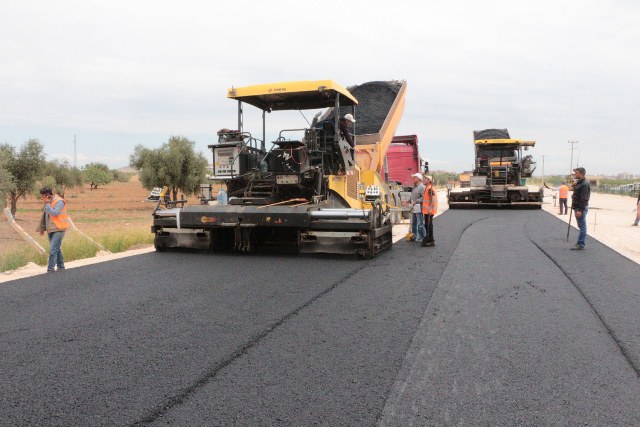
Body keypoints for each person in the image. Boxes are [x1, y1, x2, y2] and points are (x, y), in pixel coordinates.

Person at [36, 187, 70, 272]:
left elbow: (55, 213)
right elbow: (45, 215)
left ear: (48, 195)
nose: (42, 198)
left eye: (43, 196)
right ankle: (61, 267)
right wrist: (42, 228)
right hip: (50, 229)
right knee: (56, 249)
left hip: (59, 229)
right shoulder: (48, 202)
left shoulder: (59, 201)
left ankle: (50, 269)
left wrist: (47, 204)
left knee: (52, 250)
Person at [570, 167, 590, 250]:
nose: (575, 174)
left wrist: (580, 210)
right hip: (577, 206)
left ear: (581, 174)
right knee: (581, 225)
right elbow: (579, 194)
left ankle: (580, 244)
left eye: (576, 173)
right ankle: (581, 242)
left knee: (582, 226)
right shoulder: (579, 182)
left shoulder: (584, 184)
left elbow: (584, 198)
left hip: (580, 208)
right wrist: (574, 196)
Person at [421, 175, 438, 247]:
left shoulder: (430, 189)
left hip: (429, 211)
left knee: (429, 225)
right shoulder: (427, 188)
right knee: (427, 225)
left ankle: (431, 240)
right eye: (424, 178)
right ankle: (429, 239)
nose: (423, 179)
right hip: (427, 211)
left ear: (429, 181)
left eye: (425, 179)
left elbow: (433, 199)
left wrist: (430, 208)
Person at [409, 173, 426, 242]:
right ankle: (414, 236)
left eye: (414, 177)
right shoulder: (415, 187)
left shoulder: (422, 187)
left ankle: (423, 237)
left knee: (420, 223)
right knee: (414, 223)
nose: (413, 179)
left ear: (419, 179)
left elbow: (423, 197)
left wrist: (416, 201)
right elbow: (413, 197)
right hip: (415, 208)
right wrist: (408, 201)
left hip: (419, 208)